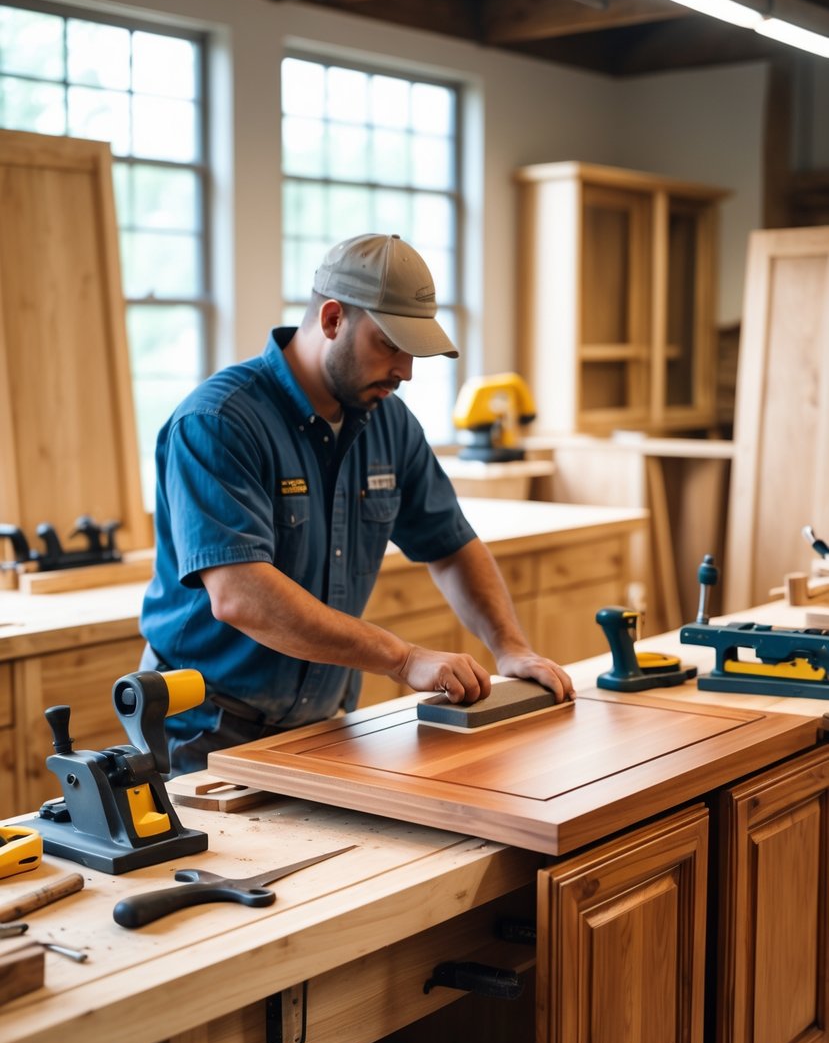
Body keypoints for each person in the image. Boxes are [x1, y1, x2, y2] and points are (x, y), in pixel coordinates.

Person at [140, 233, 574, 773]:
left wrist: (511, 647)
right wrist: (404, 659)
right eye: (390, 344)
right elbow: (240, 595)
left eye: (413, 352)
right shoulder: (218, 422)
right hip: (203, 731)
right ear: (331, 320)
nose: (406, 371)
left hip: (325, 724)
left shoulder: (388, 421)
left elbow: (451, 545)